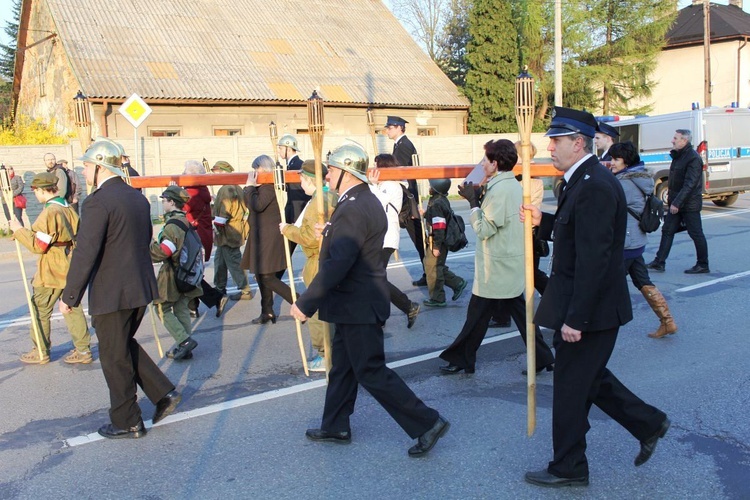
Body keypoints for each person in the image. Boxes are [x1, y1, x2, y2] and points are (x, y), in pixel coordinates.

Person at [522, 107, 670, 488]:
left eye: (556, 140)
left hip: (591, 310)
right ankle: (649, 423)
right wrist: (546, 221)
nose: (549, 147)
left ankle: (569, 467)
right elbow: (579, 234)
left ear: (578, 143)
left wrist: (577, 319)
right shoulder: (581, 180)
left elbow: (595, 259)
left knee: (572, 388)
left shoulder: (595, 186)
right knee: (588, 380)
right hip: (588, 306)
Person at [290, 142, 449, 457]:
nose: (328, 175)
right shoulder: (360, 201)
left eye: (332, 170)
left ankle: (427, 422)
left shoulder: (353, 207)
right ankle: (335, 425)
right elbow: (351, 244)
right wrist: (330, 232)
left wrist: (306, 302)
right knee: (343, 369)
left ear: (347, 173)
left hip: (358, 304)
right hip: (355, 304)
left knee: (371, 371)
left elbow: (338, 264)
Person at [60, 139, 180, 439]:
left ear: (101, 167)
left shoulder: (98, 202)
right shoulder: (137, 198)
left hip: (112, 292)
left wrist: (70, 295)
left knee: (114, 357)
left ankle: (127, 420)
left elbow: (86, 252)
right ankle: (162, 393)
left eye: (87, 166)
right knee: (122, 346)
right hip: (139, 288)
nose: (84, 172)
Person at [438, 140, 554, 376]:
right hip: (506, 261)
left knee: (478, 314)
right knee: (506, 315)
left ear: (495, 163)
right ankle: (541, 357)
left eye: (485, 160)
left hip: (497, 264)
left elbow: (484, 229)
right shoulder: (510, 185)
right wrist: (479, 198)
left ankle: (462, 358)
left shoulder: (500, 189)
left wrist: (473, 204)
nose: (482, 164)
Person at [10, 172, 91, 364]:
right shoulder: (68, 208)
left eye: (36, 191)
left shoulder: (50, 212)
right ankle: (83, 350)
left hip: (52, 269)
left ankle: (40, 351)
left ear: (40, 190)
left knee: (40, 309)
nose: (35, 196)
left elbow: (39, 246)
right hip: (70, 263)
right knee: (72, 306)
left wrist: (19, 230)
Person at [608, 142, 678, 339]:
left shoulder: (624, 183)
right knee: (642, 281)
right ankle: (667, 321)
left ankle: (598, 329)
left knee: (607, 286)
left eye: (615, 159)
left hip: (625, 242)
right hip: (636, 241)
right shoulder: (641, 178)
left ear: (626, 161)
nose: (612, 163)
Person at [280, 160, 337, 371]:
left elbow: (311, 238)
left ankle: (325, 355)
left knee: (315, 310)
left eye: (302, 179)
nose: (300, 184)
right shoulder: (331, 195)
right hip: (330, 259)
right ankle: (334, 351)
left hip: (318, 259)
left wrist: (287, 230)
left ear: (309, 179)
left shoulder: (317, 204)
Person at [150, 186, 203, 360]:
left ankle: (184, 341)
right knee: (181, 307)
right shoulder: (186, 221)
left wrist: (148, 248)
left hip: (172, 274)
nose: (163, 203)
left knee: (161, 308)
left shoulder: (172, 226)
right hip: (187, 273)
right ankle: (185, 347)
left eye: (164, 200)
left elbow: (165, 250)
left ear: (172, 202)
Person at [646, 129, 709, 274]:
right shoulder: (679, 156)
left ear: (684, 141)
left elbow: (690, 184)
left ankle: (703, 264)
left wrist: (676, 203)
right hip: (677, 202)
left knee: (696, 233)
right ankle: (659, 262)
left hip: (688, 204)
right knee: (667, 230)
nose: (672, 140)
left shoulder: (693, 158)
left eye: (675, 138)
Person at [368, 154, 420, 329]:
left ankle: (407, 306)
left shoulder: (391, 185)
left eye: (376, 165)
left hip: (386, 237)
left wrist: (372, 184)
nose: (373, 168)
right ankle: (380, 316)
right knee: (376, 278)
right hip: (381, 236)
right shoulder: (386, 184)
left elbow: (377, 202)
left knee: (375, 278)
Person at [242, 155, 295, 325]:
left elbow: (257, 205)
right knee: (260, 275)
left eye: (256, 169)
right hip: (261, 235)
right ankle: (267, 311)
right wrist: (251, 188)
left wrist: (249, 187)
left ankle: (299, 302)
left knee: (267, 276)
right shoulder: (265, 186)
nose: (254, 173)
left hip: (268, 236)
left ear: (263, 169)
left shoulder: (270, 187)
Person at [384, 116, 427, 286]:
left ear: (400, 128)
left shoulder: (403, 146)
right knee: (418, 238)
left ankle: (434, 273)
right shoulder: (399, 145)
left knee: (418, 238)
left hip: (408, 199)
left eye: (391, 128)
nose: (388, 131)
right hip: (407, 197)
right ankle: (429, 272)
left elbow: (400, 173)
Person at [182, 160, 228, 318]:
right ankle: (192, 306)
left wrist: (174, 190)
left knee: (190, 274)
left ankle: (216, 297)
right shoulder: (201, 190)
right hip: (201, 235)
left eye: (185, 173)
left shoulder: (192, 192)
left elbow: (181, 207)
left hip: (195, 237)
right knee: (193, 273)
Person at [421, 178, 467, 308]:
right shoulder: (440, 199)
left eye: (430, 185)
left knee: (433, 268)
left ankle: (438, 298)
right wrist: (425, 214)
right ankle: (457, 283)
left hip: (438, 241)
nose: (429, 187)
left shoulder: (436, 203)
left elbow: (440, 226)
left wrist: (436, 246)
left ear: (436, 188)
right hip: (440, 240)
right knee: (436, 266)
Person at [211, 161, 252, 300]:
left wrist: (216, 225)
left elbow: (225, 212)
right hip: (232, 231)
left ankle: (245, 290)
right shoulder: (235, 187)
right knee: (220, 261)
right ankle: (219, 287)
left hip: (229, 231)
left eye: (216, 172)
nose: (214, 175)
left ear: (222, 172)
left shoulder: (226, 189)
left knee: (234, 262)